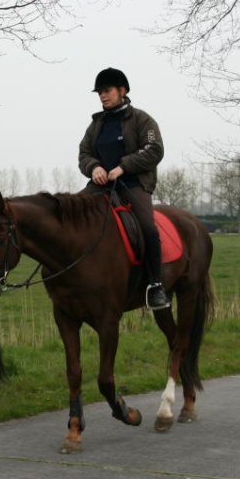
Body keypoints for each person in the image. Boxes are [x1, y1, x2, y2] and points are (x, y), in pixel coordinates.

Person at [78, 67, 170, 310]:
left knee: (149, 229)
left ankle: (155, 286)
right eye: (99, 92)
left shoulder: (142, 119)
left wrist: (123, 167)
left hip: (132, 184)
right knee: (71, 215)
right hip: (100, 187)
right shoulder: (96, 124)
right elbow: (84, 154)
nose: (102, 96)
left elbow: (154, 150)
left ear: (122, 90)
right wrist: (94, 167)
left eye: (106, 91)